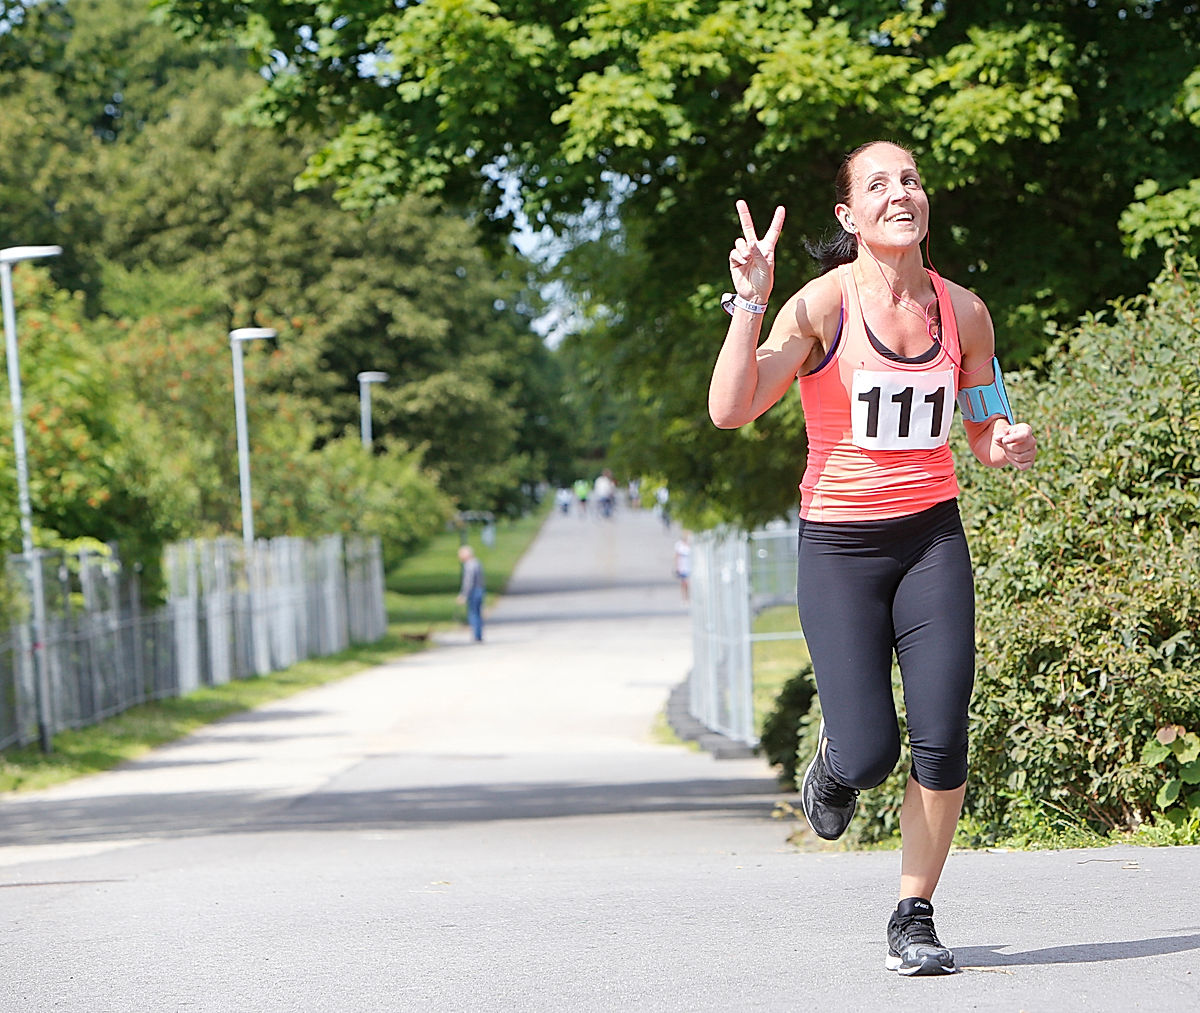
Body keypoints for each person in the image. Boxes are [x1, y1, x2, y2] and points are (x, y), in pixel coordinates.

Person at [708, 140, 1036, 977]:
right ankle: (835, 761)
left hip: (931, 537)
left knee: (943, 737)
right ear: (850, 218)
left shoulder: (963, 312)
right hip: (841, 547)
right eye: (880, 183)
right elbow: (731, 408)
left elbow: (982, 425)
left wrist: (1005, 439)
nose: (903, 192)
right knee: (870, 751)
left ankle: (914, 912)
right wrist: (752, 305)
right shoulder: (819, 307)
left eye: (913, 180)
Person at [456, 545, 486, 642]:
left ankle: (476, 635)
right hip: (480, 590)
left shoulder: (469, 565)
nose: (460, 557)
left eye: (461, 555)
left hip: (473, 591)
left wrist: (464, 594)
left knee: (473, 613)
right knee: (477, 612)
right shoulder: (477, 563)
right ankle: (478, 634)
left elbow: (468, 582)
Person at [673, 531, 692, 601]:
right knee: (684, 583)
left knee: (689, 582)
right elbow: (676, 556)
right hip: (683, 566)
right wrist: (677, 567)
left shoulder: (690, 544)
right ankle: (685, 597)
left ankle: (689, 596)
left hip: (690, 565)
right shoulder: (679, 544)